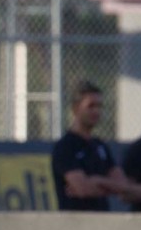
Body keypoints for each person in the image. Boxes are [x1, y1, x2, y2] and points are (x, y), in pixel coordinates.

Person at [51, 81, 129, 211]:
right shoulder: (66, 147)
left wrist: (97, 181)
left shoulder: (100, 146)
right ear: (75, 108)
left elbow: (123, 186)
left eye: (99, 106)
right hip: (75, 223)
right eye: (91, 106)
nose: (96, 111)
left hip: (102, 222)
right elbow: (82, 189)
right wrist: (107, 187)